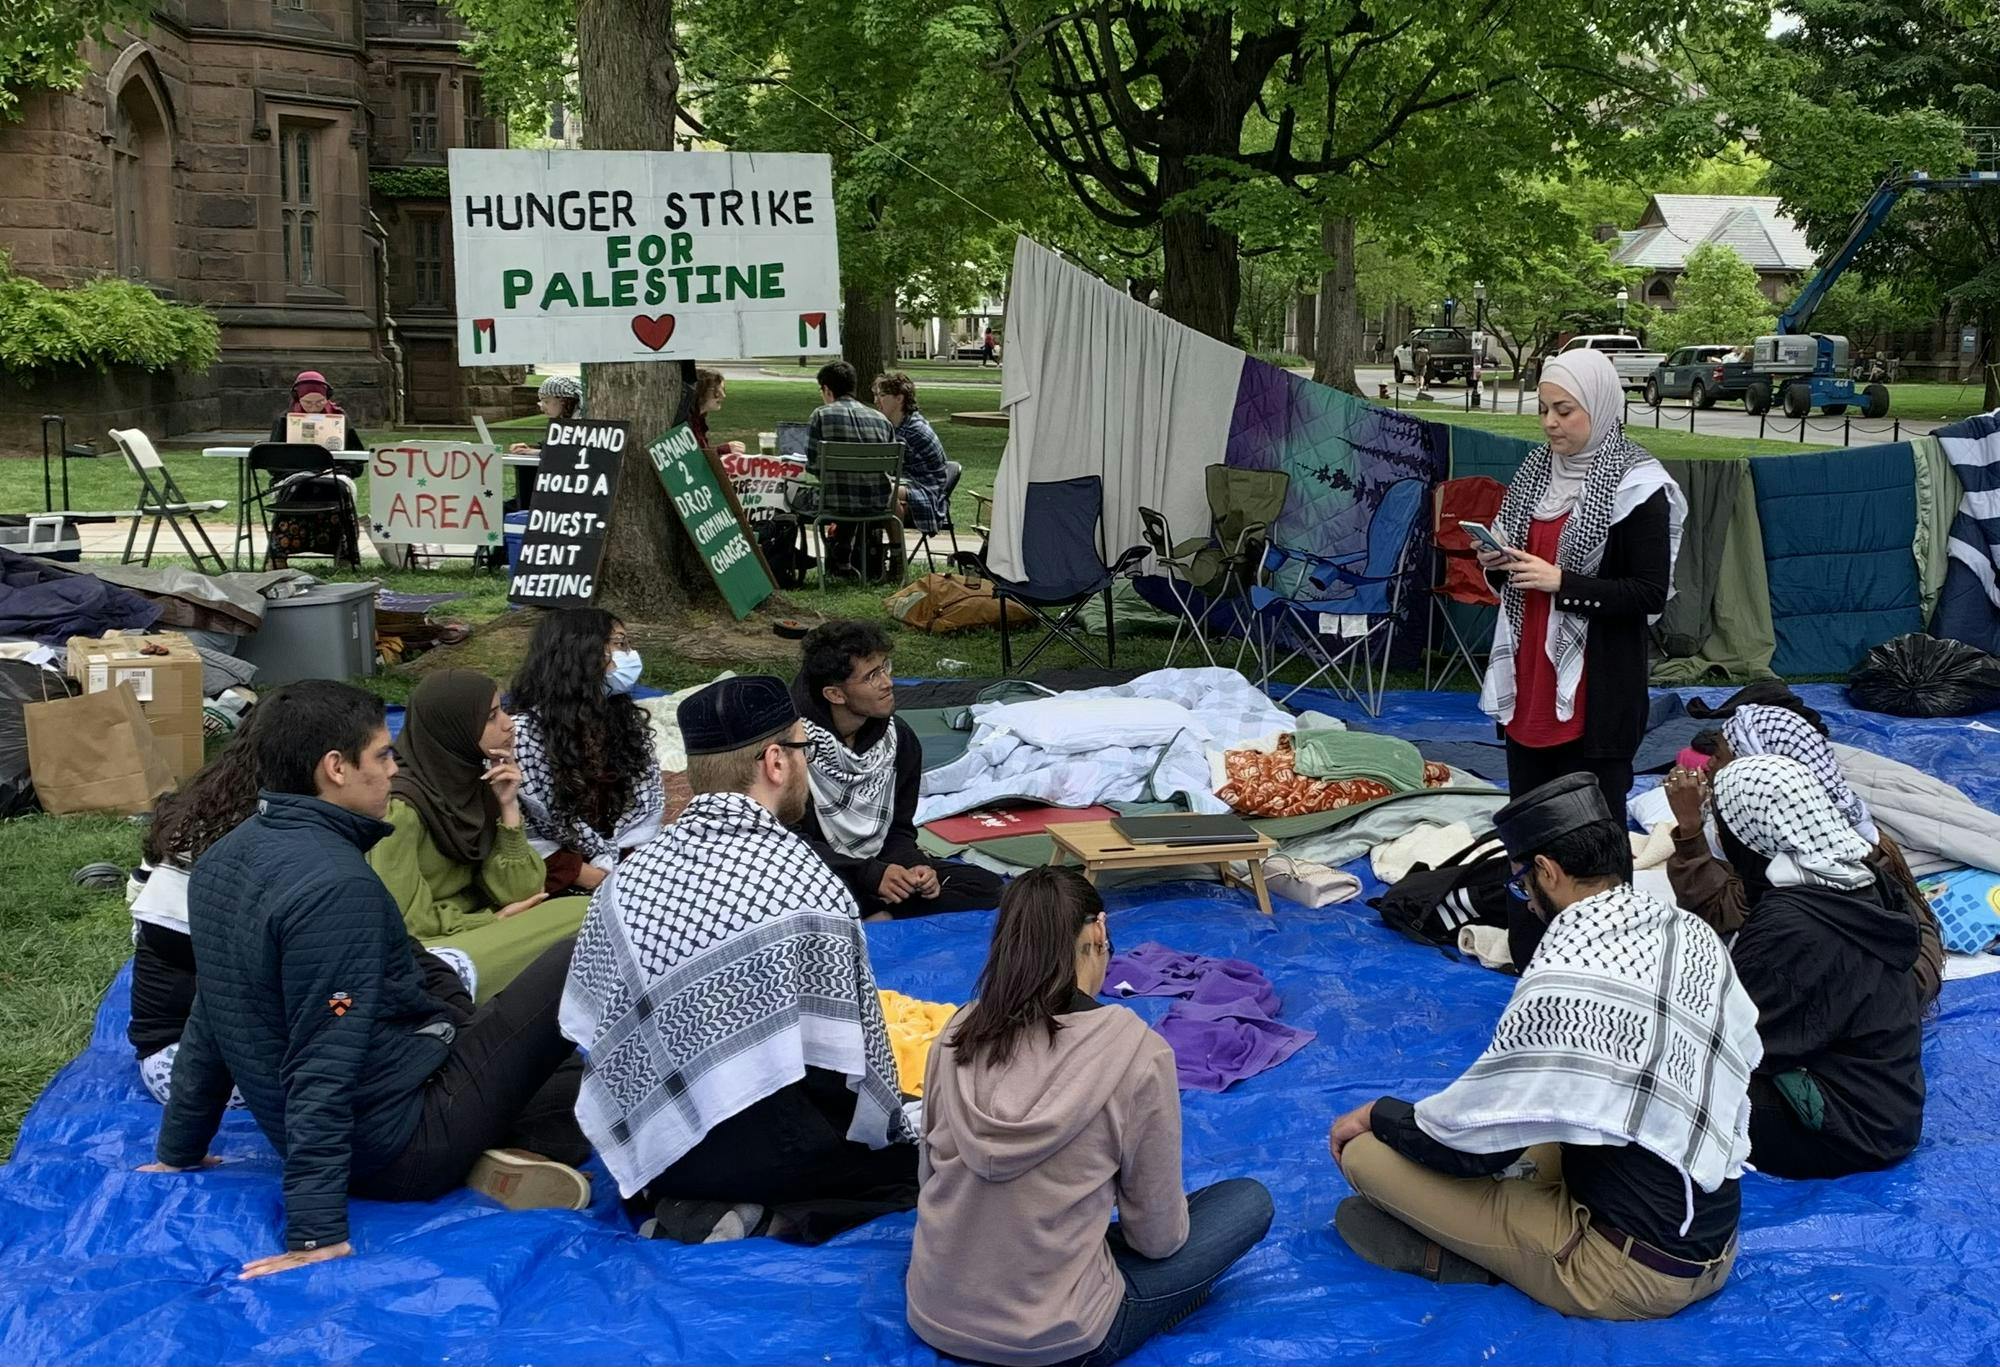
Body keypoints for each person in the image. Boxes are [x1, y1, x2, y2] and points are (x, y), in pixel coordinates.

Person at [141, 680, 592, 1282]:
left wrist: (181, 1151)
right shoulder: (334, 887)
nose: (393, 768)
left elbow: (213, 1014)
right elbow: (322, 1064)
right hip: (402, 1147)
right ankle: (512, 1142)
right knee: (572, 969)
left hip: (381, 1109)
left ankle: (510, 1138)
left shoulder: (225, 856)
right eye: (382, 755)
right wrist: (314, 1233)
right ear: (335, 768)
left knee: (437, 976)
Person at [1330, 773, 1762, 1321]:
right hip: (1713, 1246)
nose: (1525, 900)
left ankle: (1489, 1264)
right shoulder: (1686, 929)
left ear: (1548, 873)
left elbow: (1470, 1150)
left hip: (1628, 1276)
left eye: (1520, 883)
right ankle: (1518, 1235)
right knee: (1538, 1138)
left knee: (1366, 1156)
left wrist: (1375, 1114)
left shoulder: (1566, 969)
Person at [560, 675, 919, 1246]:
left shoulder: (624, 880)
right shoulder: (804, 884)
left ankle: (687, 1202)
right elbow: (852, 1067)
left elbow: (598, 1031)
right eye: (803, 749)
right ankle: (770, 1217)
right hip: (762, 1155)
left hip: (653, 1145)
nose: (807, 764)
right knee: (912, 1169)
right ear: (775, 761)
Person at [907, 866, 1272, 1367]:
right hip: (1060, 1339)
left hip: (936, 1310)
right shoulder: (1135, 1051)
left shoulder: (959, 1029)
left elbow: (930, 1180)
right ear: (1098, 931)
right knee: (1246, 1202)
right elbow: (1157, 1239)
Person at [128, 711, 481, 1103]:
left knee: (444, 972)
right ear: (323, 767)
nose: (392, 771)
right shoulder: (257, 849)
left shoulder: (264, 826)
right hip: (197, 1058)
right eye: (380, 757)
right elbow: (300, 999)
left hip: (250, 1029)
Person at [1476, 348, 1682, 822]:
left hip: (1596, 688)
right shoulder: (1534, 472)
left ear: (1600, 404)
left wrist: (1562, 583)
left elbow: (1649, 594)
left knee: (1592, 835)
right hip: (1530, 677)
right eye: (1544, 409)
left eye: (1564, 410)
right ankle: (1531, 897)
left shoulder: (1639, 485)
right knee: (1530, 826)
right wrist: (1497, 560)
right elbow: (1517, 567)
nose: (1550, 423)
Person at [1708, 754, 1926, 1179]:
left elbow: (1741, 1044)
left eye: (1723, 823)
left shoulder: (1791, 924)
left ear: (1751, 832)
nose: (1720, 835)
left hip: (1843, 1130)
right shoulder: (1859, 878)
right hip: (1889, 1108)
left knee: (1671, 1086)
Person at [1662, 703, 1942, 1002]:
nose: (1707, 765)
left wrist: (1690, 829)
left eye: (1719, 756)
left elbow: (1718, 911)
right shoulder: (1799, 828)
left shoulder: (1813, 871)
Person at [369, 669, 589, 999]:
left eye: (503, 710)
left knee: (590, 912)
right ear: (451, 729)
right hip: (433, 948)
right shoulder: (402, 808)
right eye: (490, 717)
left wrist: (508, 806)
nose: (508, 724)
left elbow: (523, 891)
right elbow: (408, 922)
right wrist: (492, 920)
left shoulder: (474, 785)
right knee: (575, 932)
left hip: (484, 923)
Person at [790, 621, 1005, 919]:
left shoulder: (898, 740)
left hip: (878, 871)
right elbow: (789, 842)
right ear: (835, 695)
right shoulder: (793, 748)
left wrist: (915, 866)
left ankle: (878, 914)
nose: (888, 682)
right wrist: (869, 874)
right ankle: (872, 910)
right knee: (809, 901)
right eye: (871, 676)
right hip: (822, 873)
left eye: (885, 667)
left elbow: (899, 829)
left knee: (985, 886)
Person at [510, 609, 664, 896]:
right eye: (620, 644)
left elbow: (644, 808)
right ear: (582, 653)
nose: (630, 654)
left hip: (626, 870)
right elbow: (521, 829)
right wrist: (581, 873)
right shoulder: (523, 735)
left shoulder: (622, 720)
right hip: (558, 878)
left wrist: (630, 866)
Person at [803, 361, 897, 580]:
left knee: (792, 498)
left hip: (834, 503)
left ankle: (801, 561)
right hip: (877, 503)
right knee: (850, 493)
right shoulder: (881, 420)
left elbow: (814, 465)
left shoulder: (821, 415)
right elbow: (889, 468)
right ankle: (843, 561)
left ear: (827, 389)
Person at [870, 371, 953, 535]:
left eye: (882, 395)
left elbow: (882, 466)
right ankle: (868, 551)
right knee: (871, 489)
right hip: (906, 484)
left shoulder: (912, 431)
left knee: (879, 490)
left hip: (925, 493)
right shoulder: (900, 425)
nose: (876, 401)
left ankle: (895, 553)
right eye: (875, 395)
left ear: (899, 398)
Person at [269, 370, 364, 448]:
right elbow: (274, 457)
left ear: (327, 396)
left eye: (320, 402)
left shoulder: (339, 415)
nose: (314, 408)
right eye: (307, 403)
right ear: (297, 399)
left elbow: (355, 453)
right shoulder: (284, 419)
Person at [507, 375, 583, 455]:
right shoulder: (561, 424)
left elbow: (571, 454)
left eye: (546, 402)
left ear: (564, 400)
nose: (542, 409)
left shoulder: (582, 424)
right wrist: (528, 450)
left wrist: (535, 452)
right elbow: (554, 448)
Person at [688, 368, 748, 458]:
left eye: (723, 390)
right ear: (701, 391)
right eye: (717, 392)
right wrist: (723, 449)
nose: (723, 396)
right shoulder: (689, 422)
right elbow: (696, 457)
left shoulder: (699, 419)